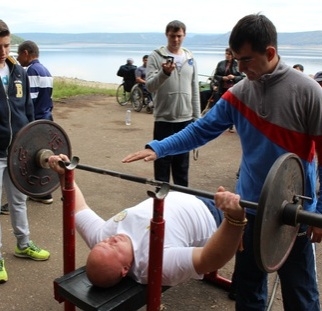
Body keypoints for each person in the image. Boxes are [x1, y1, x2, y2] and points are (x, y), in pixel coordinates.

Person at [122, 14, 322, 311]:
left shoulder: (309, 93)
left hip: (295, 213)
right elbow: (201, 129)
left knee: (301, 295)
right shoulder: (239, 93)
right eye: (236, 60)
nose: (239, 68)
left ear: (269, 53)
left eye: (246, 60)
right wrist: (159, 147)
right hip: (250, 207)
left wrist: (319, 211)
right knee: (248, 290)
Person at [48, 153, 246, 288]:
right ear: (125, 270)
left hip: (187, 195)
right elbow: (208, 260)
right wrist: (235, 220)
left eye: (104, 243)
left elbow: (79, 209)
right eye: (113, 247)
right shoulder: (154, 264)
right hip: (215, 216)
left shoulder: (103, 238)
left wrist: (65, 175)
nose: (111, 240)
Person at [0, 20, 50, 284]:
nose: (3, 50)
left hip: (17, 150)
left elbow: (28, 109)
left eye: (7, 45)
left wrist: (31, 143)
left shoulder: (18, 70)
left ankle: (23, 243)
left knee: (18, 201)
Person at [146, 20, 200, 187]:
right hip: (164, 119)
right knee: (162, 164)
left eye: (179, 36)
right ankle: (160, 204)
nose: (176, 40)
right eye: (172, 36)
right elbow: (149, 86)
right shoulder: (156, 56)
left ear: (184, 35)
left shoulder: (189, 57)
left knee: (182, 167)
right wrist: (164, 73)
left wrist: (197, 119)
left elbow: (194, 89)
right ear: (166, 35)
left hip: (185, 120)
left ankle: (181, 204)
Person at [17, 40, 54, 204]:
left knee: (27, 158)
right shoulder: (45, 70)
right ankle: (44, 192)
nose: (18, 59)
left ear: (26, 53)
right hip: (46, 119)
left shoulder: (31, 71)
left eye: (19, 55)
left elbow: (29, 101)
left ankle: (29, 193)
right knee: (41, 158)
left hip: (35, 120)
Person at [214, 47, 244, 132]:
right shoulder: (220, 63)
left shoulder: (237, 64)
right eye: (226, 54)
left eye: (229, 54)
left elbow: (242, 77)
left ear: (233, 55)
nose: (227, 56)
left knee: (232, 107)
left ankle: (231, 125)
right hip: (222, 88)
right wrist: (222, 78)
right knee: (222, 106)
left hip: (233, 89)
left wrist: (234, 77)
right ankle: (221, 123)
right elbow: (216, 76)